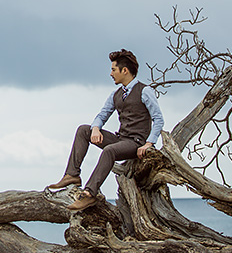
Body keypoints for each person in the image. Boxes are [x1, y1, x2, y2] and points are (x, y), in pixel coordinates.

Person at [47, 49, 164, 211]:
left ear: (125, 70)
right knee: (83, 130)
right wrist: (95, 128)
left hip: (137, 142)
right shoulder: (115, 94)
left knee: (109, 151)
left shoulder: (144, 91)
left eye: (113, 69)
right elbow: (102, 115)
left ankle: (89, 194)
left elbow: (158, 119)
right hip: (121, 139)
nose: (111, 74)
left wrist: (149, 143)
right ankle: (72, 175)